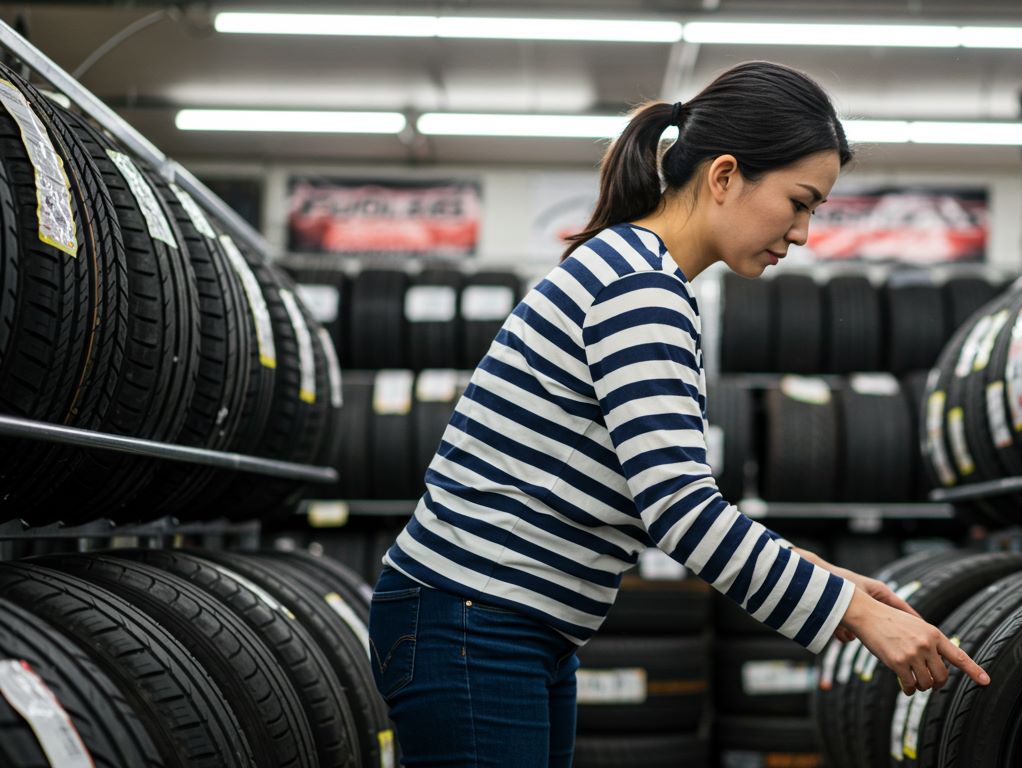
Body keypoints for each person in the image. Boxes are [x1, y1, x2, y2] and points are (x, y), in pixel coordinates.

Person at [367, 60, 989, 767]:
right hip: (474, 618)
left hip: (498, 618)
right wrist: (854, 614)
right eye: (799, 200)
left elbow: (658, 492)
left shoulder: (638, 271)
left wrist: (832, 578)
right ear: (724, 176)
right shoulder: (641, 289)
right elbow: (681, 511)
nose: (805, 232)